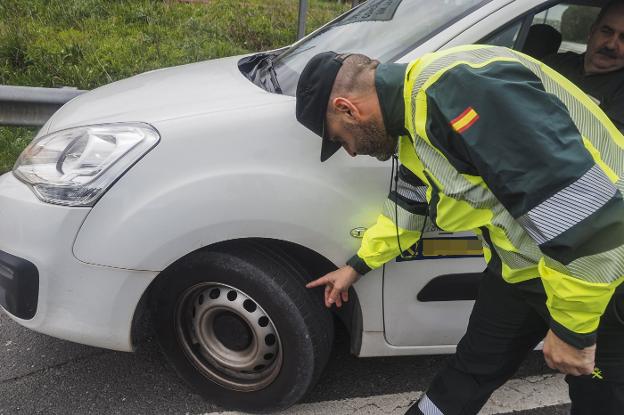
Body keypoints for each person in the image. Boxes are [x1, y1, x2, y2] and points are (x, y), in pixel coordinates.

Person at [295, 44, 624, 415]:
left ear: (347, 109)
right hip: (523, 267)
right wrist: (356, 266)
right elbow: (410, 204)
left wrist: (571, 332)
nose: (351, 152)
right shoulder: (412, 120)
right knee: (470, 370)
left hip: (600, 275)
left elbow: (588, 222)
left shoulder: (465, 91)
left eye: (341, 139)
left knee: (600, 395)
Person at [544, 0, 624, 130]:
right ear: (592, 31)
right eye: (606, 31)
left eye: (623, 38)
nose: (610, 45)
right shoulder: (554, 63)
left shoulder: (620, 91)